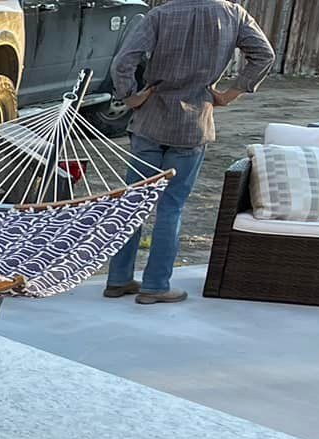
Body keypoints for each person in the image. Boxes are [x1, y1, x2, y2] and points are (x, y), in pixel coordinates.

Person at [105, 0, 275, 304]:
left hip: (149, 120)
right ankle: (155, 286)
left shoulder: (161, 14)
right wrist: (229, 95)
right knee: (171, 207)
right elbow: (264, 54)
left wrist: (129, 97)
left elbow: (123, 62)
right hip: (192, 124)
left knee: (133, 203)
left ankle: (118, 280)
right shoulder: (233, 14)